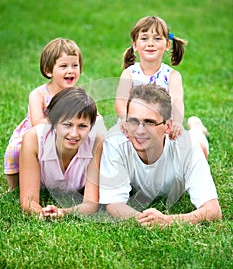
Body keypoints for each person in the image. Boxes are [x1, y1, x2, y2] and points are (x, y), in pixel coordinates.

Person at [99, 84, 222, 227]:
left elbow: (213, 211)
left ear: (168, 126)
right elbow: (114, 204)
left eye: (149, 122)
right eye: (133, 121)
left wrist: (167, 221)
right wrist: (148, 220)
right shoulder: (115, 142)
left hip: (192, 144)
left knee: (200, 145)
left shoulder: (188, 147)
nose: (140, 131)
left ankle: (196, 128)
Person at [4, 37, 83, 191]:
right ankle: (12, 187)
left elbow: (92, 115)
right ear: (48, 71)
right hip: (37, 135)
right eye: (63, 66)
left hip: (67, 135)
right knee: (14, 149)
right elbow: (37, 122)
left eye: (75, 65)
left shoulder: (78, 94)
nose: (70, 70)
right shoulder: (39, 94)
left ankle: (73, 182)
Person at [19, 87, 103, 218]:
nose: (74, 134)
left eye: (82, 126)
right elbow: (28, 201)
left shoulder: (97, 142)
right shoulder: (33, 139)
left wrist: (62, 212)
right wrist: (41, 213)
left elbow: (90, 204)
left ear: (91, 126)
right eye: (67, 125)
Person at [114, 15, 187, 141]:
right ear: (135, 45)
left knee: (194, 145)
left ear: (167, 45)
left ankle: (197, 127)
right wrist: (126, 119)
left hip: (161, 128)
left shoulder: (172, 76)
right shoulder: (129, 74)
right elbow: (121, 101)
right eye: (144, 38)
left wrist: (177, 122)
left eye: (157, 39)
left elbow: (177, 101)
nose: (151, 44)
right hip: (132, 126)